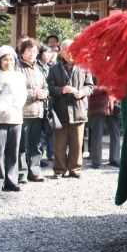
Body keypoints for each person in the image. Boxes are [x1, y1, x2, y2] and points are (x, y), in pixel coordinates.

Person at [0, 46, 27, 194]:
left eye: (11, 59)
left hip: (15, 118)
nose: (8, 62)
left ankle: (11, 181)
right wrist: (2, 110)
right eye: (5, 59)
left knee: (13, 151)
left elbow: (22, 95)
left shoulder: (19, 76)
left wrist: (14, 109)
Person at [47, 40, 93, 179]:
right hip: (60, 110)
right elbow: (49, 87)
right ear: (60, 51)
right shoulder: (53, 69)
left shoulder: (84, 67)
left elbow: (90, 86)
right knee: (59, 143)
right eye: (67, 49)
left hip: (78, 109)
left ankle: (75, 168)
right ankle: (60, 169)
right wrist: (62, 90)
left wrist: (82, 92)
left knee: (77, 143)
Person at [17, 38, 49, 183]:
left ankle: (35, 171)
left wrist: (44, 93)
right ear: (22, 52)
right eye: (29, 51)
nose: (32, 54)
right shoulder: (17, 68)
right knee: (22, 144)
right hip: (23, 112)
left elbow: (45, 87)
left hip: (38, 111)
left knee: (36, 144)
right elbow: (16, 89)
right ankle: (21, 172)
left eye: (34, 51)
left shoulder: (39, 69)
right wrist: (33, 94)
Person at [88, 79, 121, 169]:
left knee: (116, 134)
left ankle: (114, 159)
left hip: (113, 107)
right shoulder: (92, 70)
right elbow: (89, 88)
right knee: (97, 135)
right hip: (98, 106)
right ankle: (96, 161)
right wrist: (104, 88)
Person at [37, 44, 55, 164]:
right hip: (39, 101)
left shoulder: (49, 66)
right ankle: (38, 156)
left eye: (50, 53)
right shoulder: (37, 66)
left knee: (50, 129)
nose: (48, 55)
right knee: (39, 132)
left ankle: (50, 153)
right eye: (46, 52)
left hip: (49, 101)